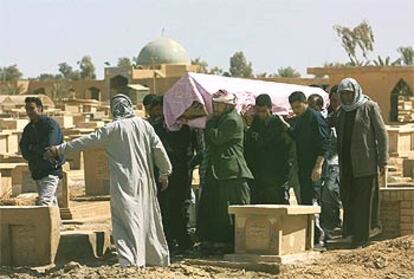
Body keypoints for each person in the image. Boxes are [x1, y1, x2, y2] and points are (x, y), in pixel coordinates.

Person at [45, 94, 172, 267]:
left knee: (125, 219)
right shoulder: (144, 125)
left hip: (124, 182)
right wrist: (165, 172)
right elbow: (159, 150)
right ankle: (154, 258)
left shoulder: (112, 129)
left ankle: (129, 260)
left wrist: (59, 150)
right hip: (145, 181)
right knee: (147, 217)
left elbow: (85, 142)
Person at [197, 89, 253, 252]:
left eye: (218, 105)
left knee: (227, 209)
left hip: (231, 171)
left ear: (227, 105)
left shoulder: (232, 120)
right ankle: (214, 241)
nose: (215, 108)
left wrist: (209, 121)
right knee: (213, 207)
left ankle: (229, 242)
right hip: (219, 171)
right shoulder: (223, 118)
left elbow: (216, 138)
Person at [148, 96, 204, 253]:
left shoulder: (189, 128)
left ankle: (183, 242)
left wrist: (188, 165)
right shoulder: (158, 127)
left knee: (181, 208)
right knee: (164, 207)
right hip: (163, 175)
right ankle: (167, 242)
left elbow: (200, 151)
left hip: (182, 174)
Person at [336, 78, 388, 248]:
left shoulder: (369, 107)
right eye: (342, 94)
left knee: (364, 202)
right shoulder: (341, 112)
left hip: (365, 164)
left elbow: (382, 134)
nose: (345, 97)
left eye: (348, 93)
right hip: (347, 165)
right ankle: (350, 234)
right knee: (348, 200)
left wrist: (383, 160)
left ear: (355, 92)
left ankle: (363, 238)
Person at [279, 91, 330, 248]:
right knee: (306, 202)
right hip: (304, 168)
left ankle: (320, 237)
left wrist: (318, 167)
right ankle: (310, 238)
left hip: (314, 168)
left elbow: (323, 144)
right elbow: (297, 136)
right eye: (293, 108)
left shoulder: (315, 118)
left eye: (297, 106)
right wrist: (285, 126)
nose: (295, 110)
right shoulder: (300, 120)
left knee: (314, 203)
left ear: (304, 103)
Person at [308, 92, 342, 240]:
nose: (334, 103)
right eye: (332, 100)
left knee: (330, 193)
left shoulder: (336, 117)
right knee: (318, 197)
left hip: (334, 163)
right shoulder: (319, 119)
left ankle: (333, 227)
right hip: (321, 164)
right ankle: (321, 232)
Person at [245, 94, 290, 204]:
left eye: (264, 111)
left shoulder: (276, 123)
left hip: (274, 174)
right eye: (259, 111)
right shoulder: (255, 123)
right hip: (258, 172)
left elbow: (266, 142)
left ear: (270, 109)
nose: (261, 114)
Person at [19, 97, 64, 206]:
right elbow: (24, 149)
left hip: (50, 170)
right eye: (27, 109)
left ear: (40, 108)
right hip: (37, 171)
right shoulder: (28, 128)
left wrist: (33, 148)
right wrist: (36, 151)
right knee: (51, 204)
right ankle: (56, 223)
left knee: (44, 203)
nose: (28, 112)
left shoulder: (50, 125)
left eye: (31, 108)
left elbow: (49, 146)